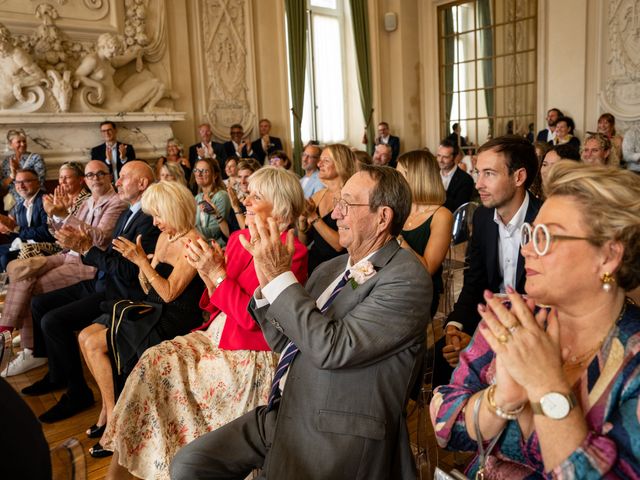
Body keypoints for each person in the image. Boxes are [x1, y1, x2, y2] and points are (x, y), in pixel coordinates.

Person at [171, 164, 431, 480]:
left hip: (335, 432)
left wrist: (280, 276)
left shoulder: (405, 278)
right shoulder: (330, 269)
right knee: (189, 465)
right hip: (283, 412)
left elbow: (332, 348)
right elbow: (285, 341)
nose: (336, 214)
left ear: (383, 217)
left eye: (347, 204)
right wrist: (266, 275)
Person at [431, 161, 640, 478]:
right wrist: (499, 401)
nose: (527, 249)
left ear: (608, 256)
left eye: (546, 237)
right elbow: (446, 426)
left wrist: (546, 385)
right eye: (530, 233)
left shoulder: (633, 362)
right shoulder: (513, 317)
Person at [102, 167, 308, 480]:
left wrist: (217, 274)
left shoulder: (291, 252)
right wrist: (207, 272)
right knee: (150, 362)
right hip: (218, 332)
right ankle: (128, 467)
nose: (245, 200)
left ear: (279, 204)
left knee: (160, 369)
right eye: (247, 192)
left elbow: (255, 321)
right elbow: (215, 304)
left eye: (255, 195)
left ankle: (174, 464)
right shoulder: (239, 239)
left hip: (251, 350)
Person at [21, 161, 159, 425]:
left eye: (123, 178)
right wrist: (75, 236)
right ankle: (56, 374)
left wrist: (85, 248)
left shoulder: (148, 219)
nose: (118, 182)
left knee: (53, 320)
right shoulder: (130, 212)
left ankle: (78, 392)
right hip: (103, 280)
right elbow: (104, 251)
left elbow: (129, 272)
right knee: (39, 304)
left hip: (118, 292)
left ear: (142, 184)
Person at [79, 180, 204, 457]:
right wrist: (142, 267)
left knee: (95, 344)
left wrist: (144, 264)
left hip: (174, 318)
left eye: (159, 215)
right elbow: (150, 287)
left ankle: (114, 423)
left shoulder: (193, 242)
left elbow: (170, 293)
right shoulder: (165, 236)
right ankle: (108, 410)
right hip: (152, 307)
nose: (155, 222)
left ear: (174, 210)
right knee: (86, 336)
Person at [0, 160, 127, 377]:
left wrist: (64, 215)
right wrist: (56, 215)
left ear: (109, 177)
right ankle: (8, 332)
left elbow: (100, 238)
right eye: (90, 175)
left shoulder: (116, 203)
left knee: (34, 287)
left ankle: (29, 349)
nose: (95, 178)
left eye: (100, 174)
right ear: (85, 180)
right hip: (68, 254)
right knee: (22, 271)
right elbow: (61, 235)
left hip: (87, 263)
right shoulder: (88, 203)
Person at [434, 135, 541, 388]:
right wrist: (455, 328)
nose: (478, 183)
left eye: (489, 174)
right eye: (477, 173)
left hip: (534, 326)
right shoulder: (482, 217)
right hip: (489, 317)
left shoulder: (545, 220)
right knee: (439, 358)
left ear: (519, 177)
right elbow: (474, 282)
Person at [396, 150, 453, 317]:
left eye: (400, 175)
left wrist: (397, 238)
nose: (396, 181)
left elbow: (427, 269)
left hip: (419, 290)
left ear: (417, 178)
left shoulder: (441, 215)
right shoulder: (400, 208)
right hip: (392, 282)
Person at [74, 33, 171, 114]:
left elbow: (119, 61)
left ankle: (157, 100)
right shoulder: (92, 61)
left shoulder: (108, 59)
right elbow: (77, 76)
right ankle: (149, 107)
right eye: (112, 52)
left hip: (120, 94)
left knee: (146, 75)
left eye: (115, 52)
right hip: (117, 105)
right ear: (103, 47)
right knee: (157, 83)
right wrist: (98, 85)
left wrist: (134, 55)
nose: (114, 55)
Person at [297, 144, 356, 272]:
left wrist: (313, 217)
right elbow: (304, 243)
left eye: (326, 160)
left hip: (338, 268)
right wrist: (302, 222)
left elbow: (339, 245)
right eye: (320, 160)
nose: (319, 164)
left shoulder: (351, 197)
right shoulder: (318, 196)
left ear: (341, 163)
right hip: (314, 265)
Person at [0, 169, 54, 271]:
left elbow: (47, 233)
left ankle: (12, 285)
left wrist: (16, 228)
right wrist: (8, 230)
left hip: (46, 246)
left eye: (26, 181)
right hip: (25, 244)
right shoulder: (20, 206)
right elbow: (21, 234)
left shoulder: (46, 201)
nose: (21, 186)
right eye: (17, 182)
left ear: (38, 183)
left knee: (6, 258)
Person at [1, 128, 46, 209]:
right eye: (19, 142)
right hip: (13, 202)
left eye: (24, 141)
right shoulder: (7, 161)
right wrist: (12, 175)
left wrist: (18, 170)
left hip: (33, 200)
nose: (22, 144)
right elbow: (3, 185)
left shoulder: (36, 158)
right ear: (11, 144)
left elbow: (40, 181)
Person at [193, 158, 231, 246]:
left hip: (217, 247)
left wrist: (188, 226)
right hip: (201, 244)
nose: (199, 174)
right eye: (197, 170)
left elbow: (215, 232)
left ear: (215, 175)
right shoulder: (198, 197)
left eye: (204, 171)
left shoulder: (221, 196)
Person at [437, 137, 475, 213]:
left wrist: (438, 191)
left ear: (454, 157)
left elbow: (459, 209)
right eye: (438, 155)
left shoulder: (466, 180)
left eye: (445, 157)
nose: (440, 160)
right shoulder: (431, 175)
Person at [227, 159, 260, 231]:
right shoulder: (237, 201)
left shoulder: (260, 201)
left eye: (247, 177)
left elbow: (248, 231)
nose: (242, 182)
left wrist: (236, 207)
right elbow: (228, 234)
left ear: (257, 177)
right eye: (239, 177)